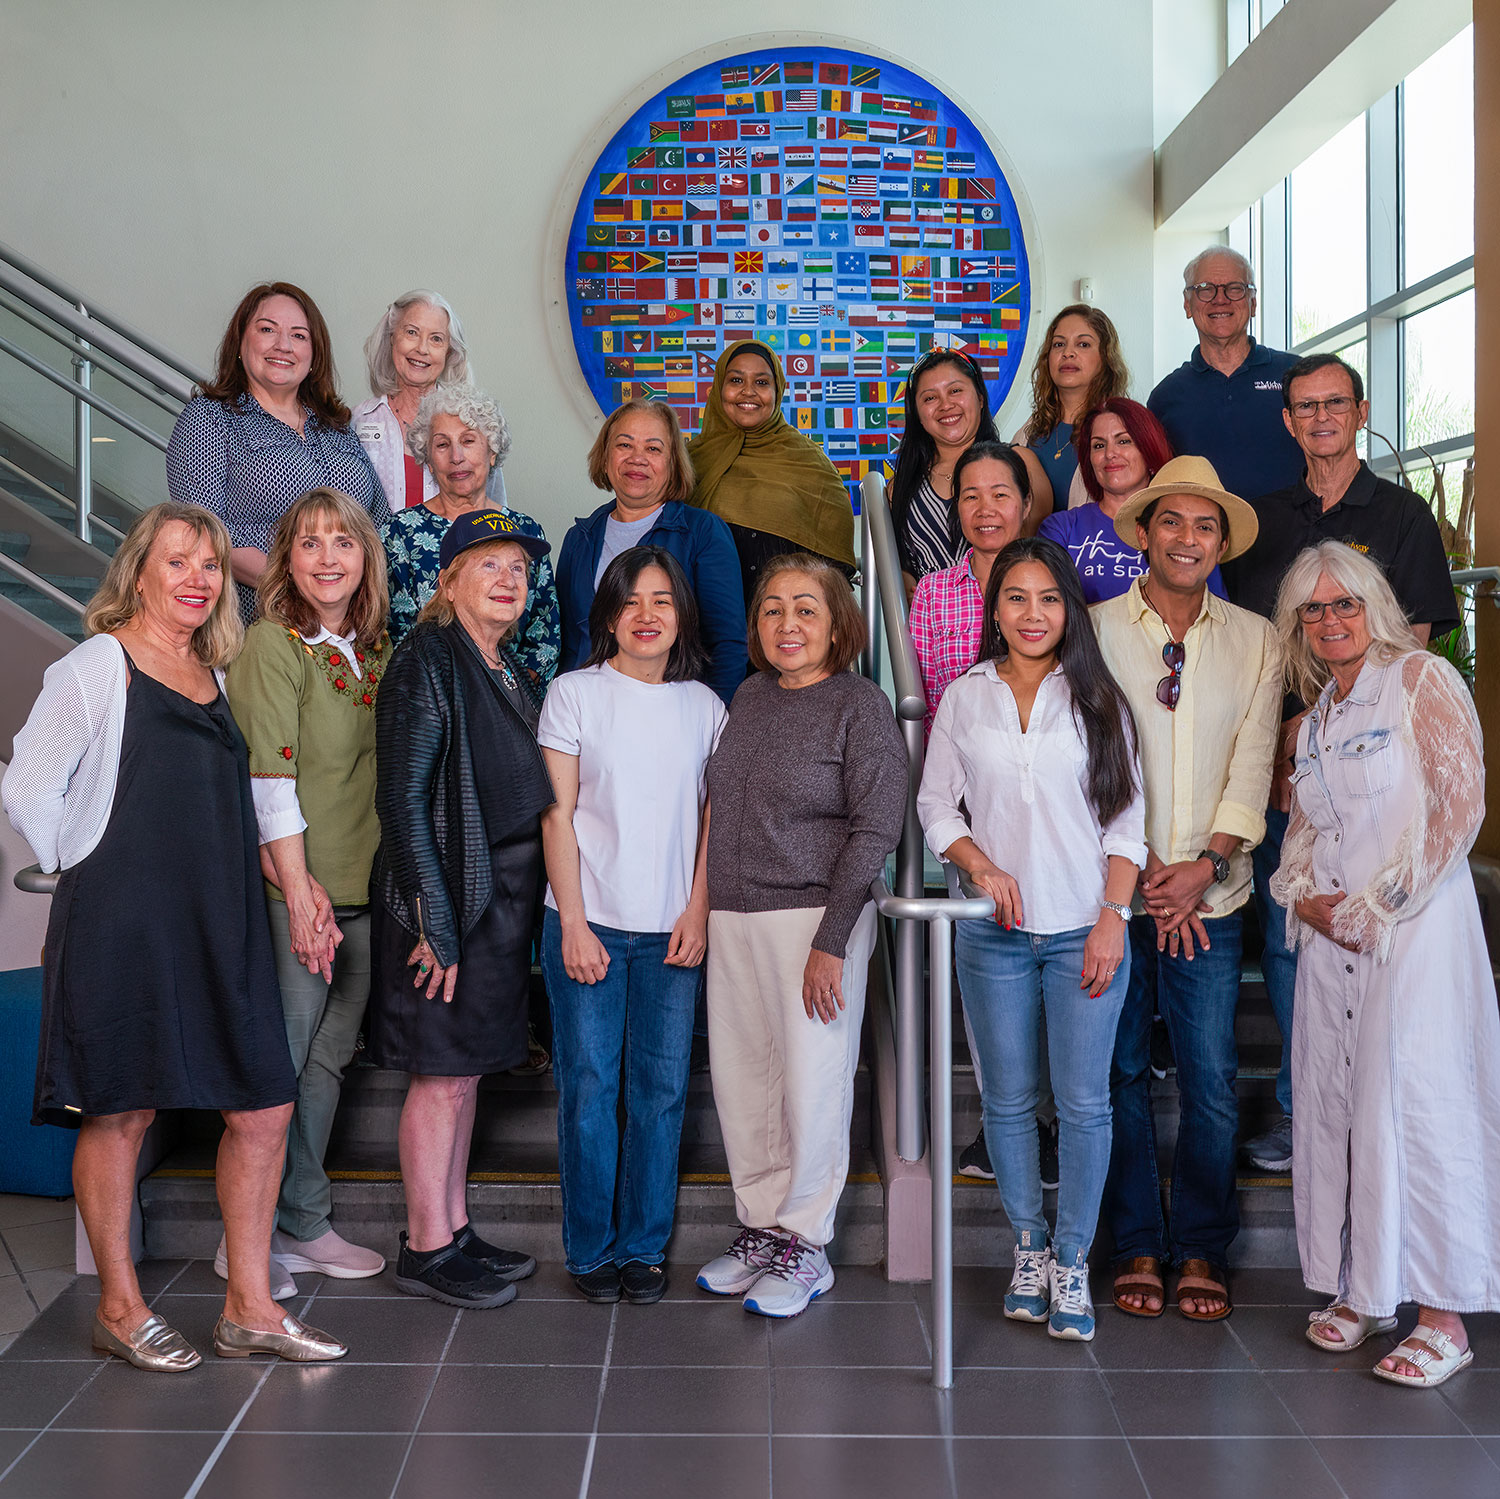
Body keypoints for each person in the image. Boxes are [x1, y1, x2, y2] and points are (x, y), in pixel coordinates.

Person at [2, 503, 345, 1367]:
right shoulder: (98, 666)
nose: (196, 578)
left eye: (208, 564)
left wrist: (298, 887)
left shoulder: (218, 672)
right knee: (121, 1108)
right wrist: (81, 860)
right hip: (122, 921)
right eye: (177, 561)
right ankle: (119, 1307)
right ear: (140, 572)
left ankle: (251, 1307)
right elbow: (30, 786)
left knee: (264, 1105)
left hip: (217, 920)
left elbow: (258, 799)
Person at [1269, 541, 1500, 1386]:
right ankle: (1366, 1289)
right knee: (1343, 1108)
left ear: (1375, 604)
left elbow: (1458, 805)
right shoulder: (1319, 711)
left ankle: (1444, 1313)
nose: (1330, 621)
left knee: (1420, 1106)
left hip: (1416, 937)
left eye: (1345, 604)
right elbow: (1306, 826)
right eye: (1313, 610)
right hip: (1334, 943)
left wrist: (1380, 906)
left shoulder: (1421, 681)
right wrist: (1299, 893)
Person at [1225, 353, 1459, 1176]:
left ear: (1359, 412)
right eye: (1303, 406)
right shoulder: (1260, 521)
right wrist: (1289, 735)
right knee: (1294, 942)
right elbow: (1256, 648)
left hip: (1377, 774)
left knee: (1380, 934)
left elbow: (1415, 647)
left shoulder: (1400, 515)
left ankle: (1381, 1102)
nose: (1319, 417)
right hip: (1286, 765)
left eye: (1334, 403)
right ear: (1287, 421)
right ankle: (1304, 1111)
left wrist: (1339, 727)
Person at [919, 536, 1144, 1342]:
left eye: (1049, 598)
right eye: (1016, 597)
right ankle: (1030, 1245)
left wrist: (1114, 919)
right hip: (993, 934)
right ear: (995, 608)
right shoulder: (964, 696)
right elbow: (935, 806)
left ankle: (1075, 1259)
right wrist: (977, 863)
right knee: (1008, 1101)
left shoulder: (1100, 700)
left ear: (1068, 608)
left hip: (1085, 926)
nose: (1033, 612)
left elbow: (1128, 823)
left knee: (1083, 1104)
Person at [1093, 457, 1282, 1323]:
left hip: (1210, 891)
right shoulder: (1091, 630)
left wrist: (1203, 866)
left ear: (1220, 542)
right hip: (1115, 893)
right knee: (1120, 1070)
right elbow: (1088, 763)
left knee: (1208, 1075)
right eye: (1172, 522)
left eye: (1205, 526)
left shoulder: (1258, 638)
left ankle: (1201, 1246)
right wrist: (1139, 875)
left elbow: (1251, 759)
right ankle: (1134, 1238)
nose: (1188, 538)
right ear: (1143, 532)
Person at [696, 556, 906, 1317]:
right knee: (744, 1081)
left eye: (806, 610)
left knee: (814, 1085)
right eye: (774, 610)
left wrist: (834, 936)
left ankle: (806, 1245)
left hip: (816, 920)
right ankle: (759, 1228)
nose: (788, 624)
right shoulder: (748, 696)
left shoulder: (861, 703)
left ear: (837, 624)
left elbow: (876, 824)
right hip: (735, 917)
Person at [367, 511, 554, 1309]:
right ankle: (425, 1244)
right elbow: (403, 799)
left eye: (518, 566)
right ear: (448, 581)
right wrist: (432, 921)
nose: (509, 577)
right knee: (439, 1079)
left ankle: (454, 1225)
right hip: (446, 901)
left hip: (502, 902)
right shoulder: (426, 657)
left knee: (466, 1071)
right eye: (488, 564)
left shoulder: (506, 664)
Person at [539, 547, 725, 1305]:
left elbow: (716, 819)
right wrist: (575, 923)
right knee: (588, 1088)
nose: (647, 615)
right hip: (590, 924)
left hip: (672, 931)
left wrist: (699, 908)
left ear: (681, 615)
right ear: (609, 615)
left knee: (659, 1091)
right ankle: (590, 1249)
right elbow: (557, 815)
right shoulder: (574, 693)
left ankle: (643, 1248)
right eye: (631, 601)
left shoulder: (706, 706)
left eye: (663, 600)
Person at [224, 488, 391, 1287]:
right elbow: (268, 781)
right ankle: (244, 1244)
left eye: (344, 543)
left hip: (360, 888)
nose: (328, 557)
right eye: (311, 542)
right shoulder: (271, 643)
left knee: (325, 1062)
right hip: (297, 892)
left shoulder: (373, 648)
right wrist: (299, 893)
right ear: (286, 557)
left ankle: (303, 1222)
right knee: (278, 1068)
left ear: (366, 557)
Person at [906, 440, 1052, 1188]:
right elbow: (931, 701)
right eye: (970, 496)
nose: (986, 508)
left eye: (1001, 493)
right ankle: (1004, 1124)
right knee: (982, 956)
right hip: (968, 803)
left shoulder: (1058, 582)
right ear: (953, 508)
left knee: (1052, 950)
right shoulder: (933, 592)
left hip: (1052, 805)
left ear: (1025, 504)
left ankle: (1050, 1121)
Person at [166, 282, 388, 624]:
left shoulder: (338, 426)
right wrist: (304, 594)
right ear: (240, 342)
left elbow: (378, 525)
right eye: (267, 330)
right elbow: (204, 532)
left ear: (315, 354)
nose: (283, 345)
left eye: (299, 335)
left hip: (349, 627)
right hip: (257, 625)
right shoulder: (210, 418)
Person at [556, 399, 746, 702]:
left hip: (676, 713)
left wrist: (716, 725)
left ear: (673, 465)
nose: (637, 459)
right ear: (605, 458)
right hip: (589, 711)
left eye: (653, 449)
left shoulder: (703, 532)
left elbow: (728, 645)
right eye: (624, 445)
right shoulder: (579, 539)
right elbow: (568, 644)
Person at [382, 382, 558, 688]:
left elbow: (545, 638)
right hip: (433, 703)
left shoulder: (526, 531)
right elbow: (397, 635)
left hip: (513, 704)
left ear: (491, 452)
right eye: (442, 444)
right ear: (427, 458)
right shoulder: (400, 532)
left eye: (468, 440)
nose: (456, 456)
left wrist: (502, 694)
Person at [687, 340, 855, 605]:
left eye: (762, 383)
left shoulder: (809, 461)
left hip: (788, 628)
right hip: (702, 627)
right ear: (719, 389)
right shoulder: (690, 461)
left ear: (778, 391)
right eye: (735, 380)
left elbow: (832, 563)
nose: (748, 392)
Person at [1147, 247, 1303, 504]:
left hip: (1297, 540)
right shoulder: (1165, 397)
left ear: (1252, 303)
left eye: (1235, 288)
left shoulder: (1294, 376)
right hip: (1201, 541)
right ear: (1188, 304)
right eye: (1206, 289)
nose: (1220, 299)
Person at [1039, 399, 1225, 606]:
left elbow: (1213, 615)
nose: (1110, 454)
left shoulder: (1188, 532)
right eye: (1099, 445)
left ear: (1149, 449)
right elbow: (1048, 609)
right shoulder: (1060, 528)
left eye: (1124, 441)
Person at [353, 290, 495, 512]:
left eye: (436, 339)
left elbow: (495, 511)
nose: (422, 348)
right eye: (411, 332)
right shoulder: (357, 422)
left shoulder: (474, 422)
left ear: (449, 352)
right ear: (392, 338)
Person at [887, 350, 1001, 592]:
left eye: (955, 391)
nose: (946, 405)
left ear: (980, 399)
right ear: (916, 414)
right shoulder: (900, 487)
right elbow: (902, 569)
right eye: (930, 398)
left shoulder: (1019, 464)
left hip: (1003, 619)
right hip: (932, 625)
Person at [1014, 305, 1129, 515]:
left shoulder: (1124, 432)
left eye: (1083, 344)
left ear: (1105, 358)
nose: (1068, 353)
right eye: (1058, 344)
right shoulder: (1027, 434)